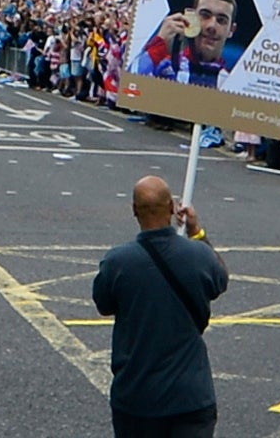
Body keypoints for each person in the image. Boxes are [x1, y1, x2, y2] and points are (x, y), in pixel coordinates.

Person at [92, 175, 226, 438]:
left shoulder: (117, 262)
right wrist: (197, 233)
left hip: (137, 397)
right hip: (190, 397)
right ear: (172, 208)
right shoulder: (199, 255)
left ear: (133, 210)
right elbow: (220, 279)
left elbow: (103, 305)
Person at [134, 0, 247, 89]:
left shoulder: (233, 83)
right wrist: (159, 45)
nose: (212, 26)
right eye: (205, 15)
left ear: (231, 30)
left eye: (221, 20)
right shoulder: (165, 68)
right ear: (191, 18)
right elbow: (130, 89)